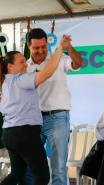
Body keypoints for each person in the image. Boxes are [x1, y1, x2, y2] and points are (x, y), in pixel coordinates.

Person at [22, 28, 83, 185]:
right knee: (28, 169)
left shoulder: (59, 58)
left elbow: (78, 63)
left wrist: (69, 48)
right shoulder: (24, 66)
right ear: (28, 46)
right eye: (36, 47)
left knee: (58, 169)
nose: (41, 51)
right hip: (32, 120)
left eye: (44, 46)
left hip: (57, 118)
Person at [0, 37, 65, 184]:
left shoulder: (3, 83)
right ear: (10, 66)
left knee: (16, 174)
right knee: (42, 177)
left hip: (9, 134)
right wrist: (60, 48)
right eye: (22, 62)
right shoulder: (20, 79)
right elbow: (47, 73)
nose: (25, 65)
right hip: (25, 133)